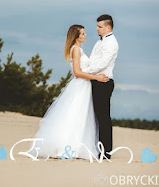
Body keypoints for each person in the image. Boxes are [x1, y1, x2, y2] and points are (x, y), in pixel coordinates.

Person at [27, 24, 109, 160]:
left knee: (80, 116)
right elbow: (77, 72)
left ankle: (74, 145)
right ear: (76, 37)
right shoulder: (76, 50)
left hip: (84, 86)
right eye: (82, 34)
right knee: (75, 115)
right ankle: (68, 146)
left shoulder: (78, 50)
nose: (85, 35)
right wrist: (97, 77)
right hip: (81, 86)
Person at [82, 14, 119, 159]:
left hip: (103, 82)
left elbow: (102, 64)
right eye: (97, 26)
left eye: (100, 26)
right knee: (96, 117)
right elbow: (93, 59)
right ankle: (97, 148)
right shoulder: (100, 42)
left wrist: (84, 72)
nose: (97, 29)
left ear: (108, 27)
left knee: (103, 117)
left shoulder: (111, 43)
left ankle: (106, 153)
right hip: (96, 81)